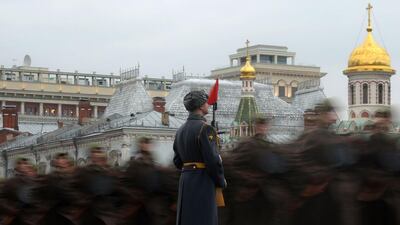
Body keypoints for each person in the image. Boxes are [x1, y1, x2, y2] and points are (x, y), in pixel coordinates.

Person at [173, 90, 226, 225]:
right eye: (206, 103)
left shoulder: (180, 131)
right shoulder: (206, 129)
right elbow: (213, 161)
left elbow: (177, 161)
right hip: (203, 181)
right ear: (201, 106)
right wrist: (221, 181)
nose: (208, 105)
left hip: (186, 181)